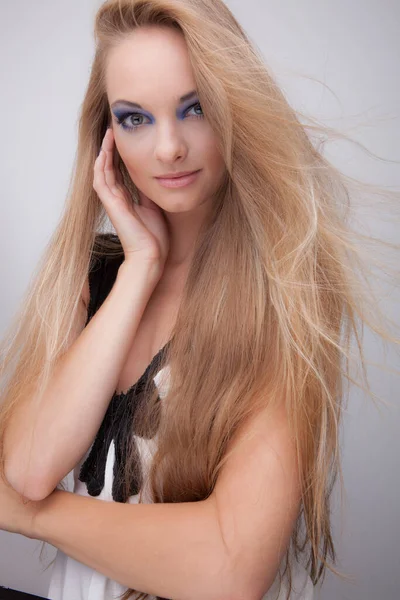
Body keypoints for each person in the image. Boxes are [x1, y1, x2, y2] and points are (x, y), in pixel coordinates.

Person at [0, 0, 399, 599]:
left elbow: (230, 571)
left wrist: (31, 516)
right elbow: (29, 468)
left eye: (196, 108)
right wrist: (141, 267)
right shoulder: (95, 273)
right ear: (106, 136)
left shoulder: (286, 292)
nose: (168, 149)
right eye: (135, 119)